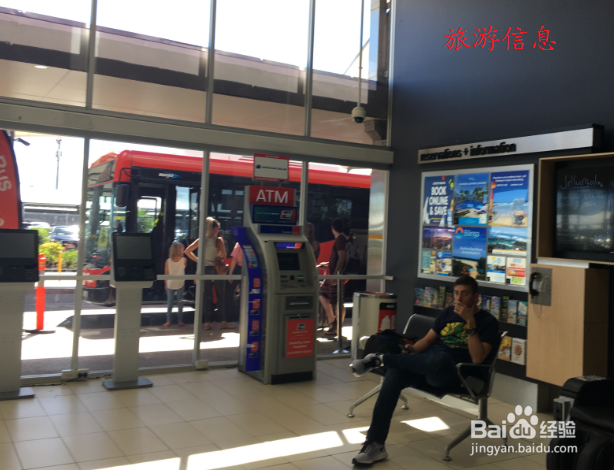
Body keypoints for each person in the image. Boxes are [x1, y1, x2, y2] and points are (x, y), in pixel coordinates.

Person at [349, 275, 499, 466]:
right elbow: (427, 341)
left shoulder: (487, 322)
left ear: (476, 297)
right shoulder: (447, 313)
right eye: (456, 293)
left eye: (465, 294)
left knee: (441, 358)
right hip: (426, 365)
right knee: (395, 374)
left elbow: (478, 358)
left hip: (454, 374)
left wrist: (470, 323)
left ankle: (380, 359)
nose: (459, 299)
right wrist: (413, 349)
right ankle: (375, 444)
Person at [185, 217, 236, 331]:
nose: (219, 229)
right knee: (220, 296)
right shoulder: (219, 240)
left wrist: (199, 260)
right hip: (217, 269)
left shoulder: (201, 240)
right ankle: (223, 322)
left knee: (207, 296)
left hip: (205, 269)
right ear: (214, 228)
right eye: (218, 227)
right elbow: (224, 256)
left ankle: (207, 323)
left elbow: (187, 251)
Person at [318, 217, 347, 336]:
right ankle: (332, 320)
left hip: (336, 276)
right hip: (333, 275)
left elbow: (342, 257)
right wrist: (328, 264)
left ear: (332, 228)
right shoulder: (343, 239)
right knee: (323, 293)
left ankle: (336, 326)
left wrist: (336, 275)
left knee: (337, 301)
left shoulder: (340, 240)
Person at [164, 242, 187, 328]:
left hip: (170, 283)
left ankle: (168, 321)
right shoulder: (184, 260)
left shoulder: (168, 261)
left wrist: (165, 284)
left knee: (169, 303)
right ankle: (180, 321)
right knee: (180, 302)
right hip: (180, 283)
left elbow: (166, 274)